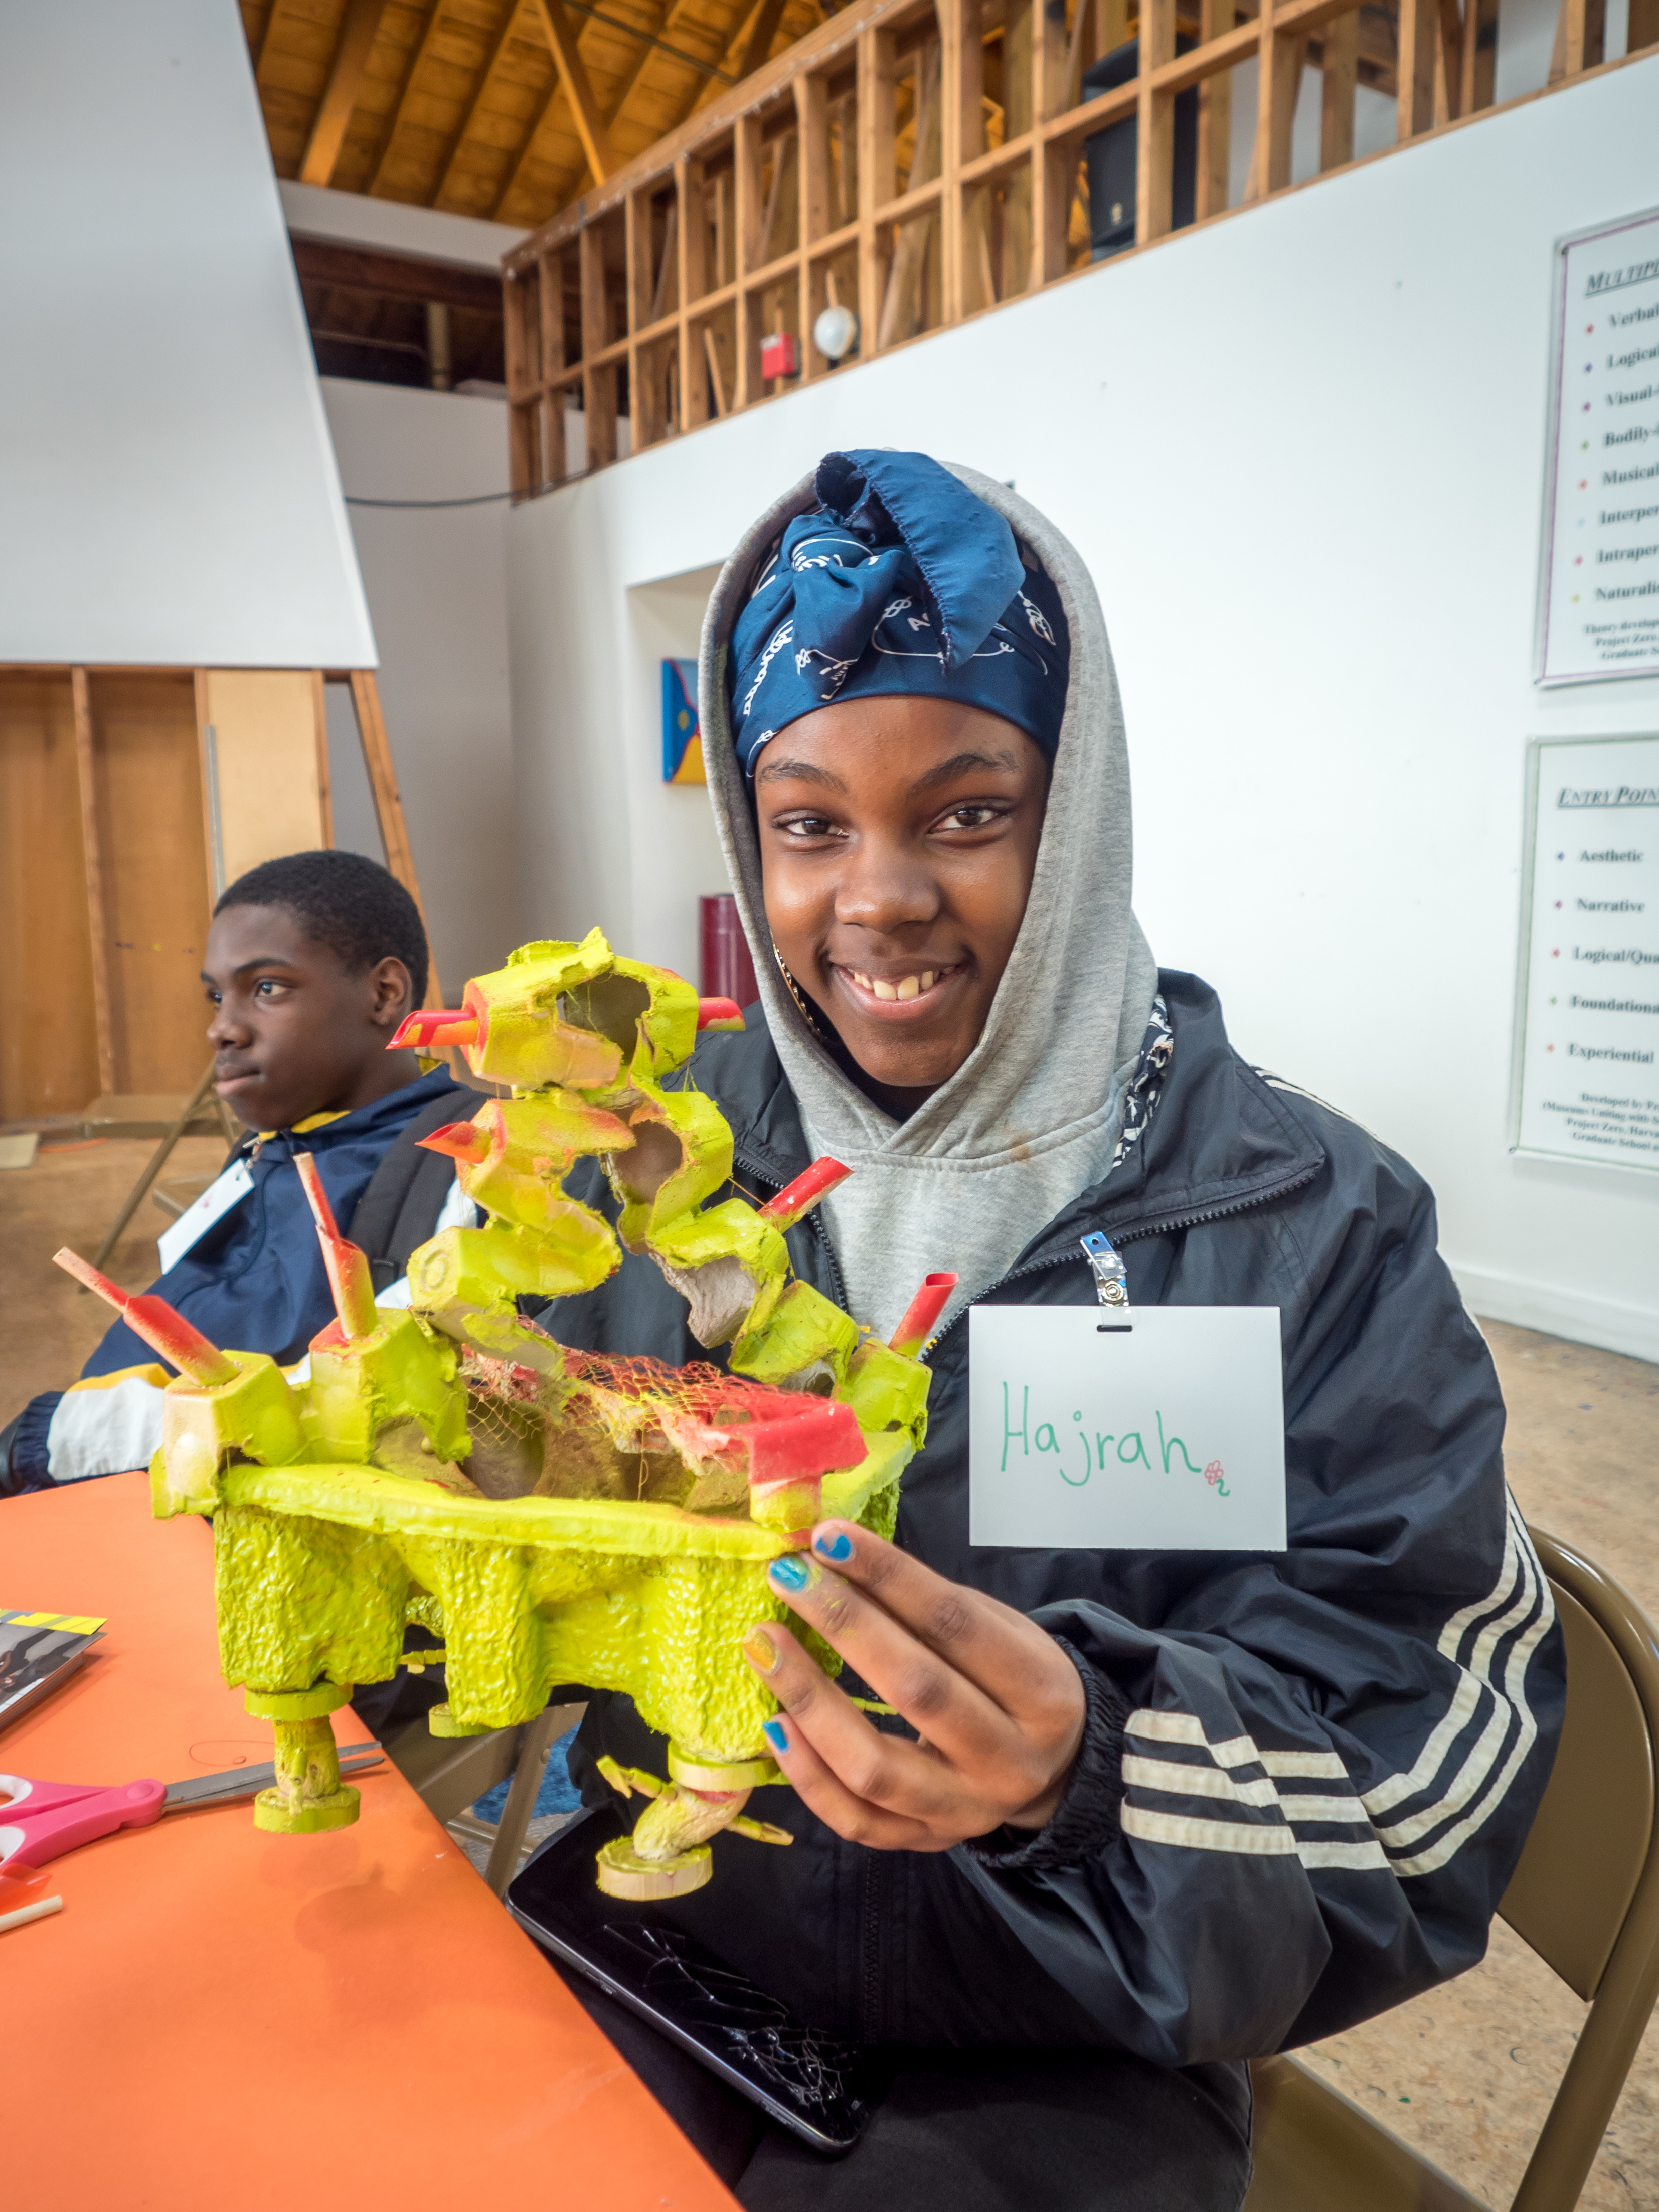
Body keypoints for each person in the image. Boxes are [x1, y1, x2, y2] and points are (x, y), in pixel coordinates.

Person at [538, 451, 1566, 2211]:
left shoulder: (1304, 1229)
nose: (872, 902)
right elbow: (501, 1526)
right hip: (661, 1947)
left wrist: (1088, 1769)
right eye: (806, 823)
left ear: (1073, 810)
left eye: (962, 812)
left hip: (1070, 2037)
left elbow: (1421, 1775)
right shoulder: (646, 1165)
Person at [0, 849, 477, 1501]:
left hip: (205, 1516)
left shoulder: (462, 1164)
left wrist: (50, 1441)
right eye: (217, 994)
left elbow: (335, 1405)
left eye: (267, 988)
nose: (221, 1027)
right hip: (84, 1488)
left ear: (383, 993)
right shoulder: (275, 1140)